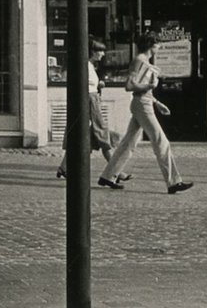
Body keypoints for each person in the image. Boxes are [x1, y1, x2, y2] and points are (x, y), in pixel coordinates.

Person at [98, 33, 193, 194]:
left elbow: (140, 88)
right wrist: (149, 86)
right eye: (157, 44)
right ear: (151, 45)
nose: (159, 47)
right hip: (142, 104)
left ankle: (108, 176)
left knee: (129, 143)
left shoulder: (144, 61)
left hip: (144, 103)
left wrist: (157, 102)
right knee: (161, 141)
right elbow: (129, 85)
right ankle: (173, 182)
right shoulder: (140, 61)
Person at [56, 39, 125, 181]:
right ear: (93, 52)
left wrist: (98, 84)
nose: (103, 54)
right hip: (90, 101)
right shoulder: (86, 66)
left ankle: (64, 167)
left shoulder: (90, 66)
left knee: (86, 136)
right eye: (100, 51)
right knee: (102, 133)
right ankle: (115, 172)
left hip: (91, 99)